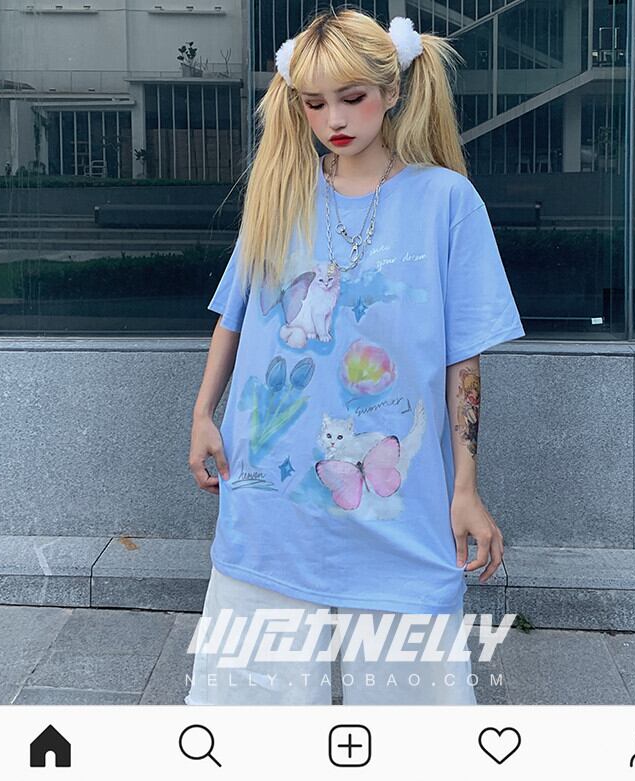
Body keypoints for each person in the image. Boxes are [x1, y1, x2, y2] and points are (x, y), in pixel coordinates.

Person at [185, 7, 525, 706]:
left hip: (399, 508)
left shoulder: (446, 201)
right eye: (315, 103)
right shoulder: (281, 195)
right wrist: (201, 413)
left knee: (413, 720)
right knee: (255, 718)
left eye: (352, 97)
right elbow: (235, 316)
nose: (334, 118)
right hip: (271, 505)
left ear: (392, 90)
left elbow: (464, 360)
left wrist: (465, 487)